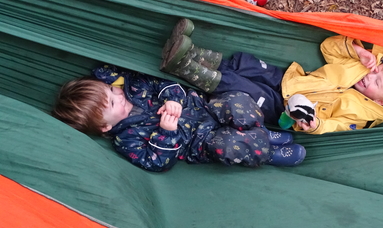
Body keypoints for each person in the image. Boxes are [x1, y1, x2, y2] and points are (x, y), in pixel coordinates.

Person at [160, 18, 383, 135]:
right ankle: (192, 52)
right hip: (292, 78)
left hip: (287, 109)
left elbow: (335, 125)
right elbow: (328, 47)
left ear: (382, 103)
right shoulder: (363, 68)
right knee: (245, 63)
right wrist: (358, 52)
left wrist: (316, 124)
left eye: (377, 84)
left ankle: (184, 67)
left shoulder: (365, 116)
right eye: (377, 74)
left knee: (241, 87)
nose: (370, 78)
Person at [52, 65, 306, 172]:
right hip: (202, 140)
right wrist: (167, 132)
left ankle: (259, 132)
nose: (117, 95)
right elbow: (155, 163)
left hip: (206, 109)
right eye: (111, 102)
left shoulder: (133, 88)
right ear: (106, 126)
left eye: (110, 90)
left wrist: (172, 98)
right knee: (229, 145)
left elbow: (158, 81)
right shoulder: (125, 140)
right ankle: (266, 151)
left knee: (236, 100)